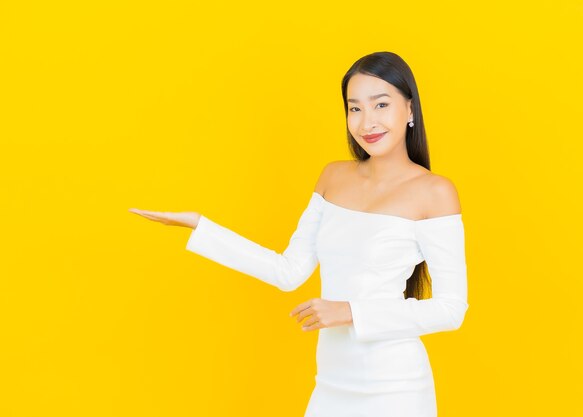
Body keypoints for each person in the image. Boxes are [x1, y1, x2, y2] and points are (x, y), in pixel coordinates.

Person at [129, 51, 469, 417]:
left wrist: (351, 311)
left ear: (410, 110)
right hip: (331, 384)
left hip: (395, 389)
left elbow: (451, 310)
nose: (367, 121)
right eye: (354, 109)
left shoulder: (435, 193)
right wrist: (200, 226)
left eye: (381, 104)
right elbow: (287, 271)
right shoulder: (333, 177)